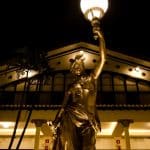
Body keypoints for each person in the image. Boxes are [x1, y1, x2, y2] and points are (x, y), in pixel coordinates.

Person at [52, 32, 106, 150]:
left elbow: (103, 59)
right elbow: (63, 105)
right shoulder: (71, 85)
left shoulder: (91, 78)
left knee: (88, 146)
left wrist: (101, 37)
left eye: (78, 66)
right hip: (70, 115)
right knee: (68, 144)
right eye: (74, 68)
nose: (76, 69)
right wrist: (56, 120)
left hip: (88, 118)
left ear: (83, 66)